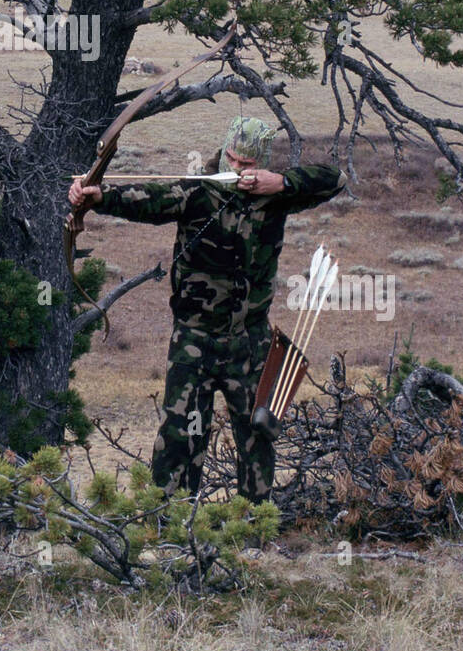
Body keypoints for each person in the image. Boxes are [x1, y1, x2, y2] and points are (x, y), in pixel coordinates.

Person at [67, 116, 346, 503]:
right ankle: (170, 526)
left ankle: (254, 527)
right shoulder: (198, 191)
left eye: (247, 164)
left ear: (261, 164)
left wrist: (279, 182)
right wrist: (98, 197)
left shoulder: (276, 195)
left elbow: (334, 179)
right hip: (194, 339)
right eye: (231, 159)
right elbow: (149, 201)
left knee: (257, 436)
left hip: (250, 341)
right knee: (180, 435)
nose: (237, 169)